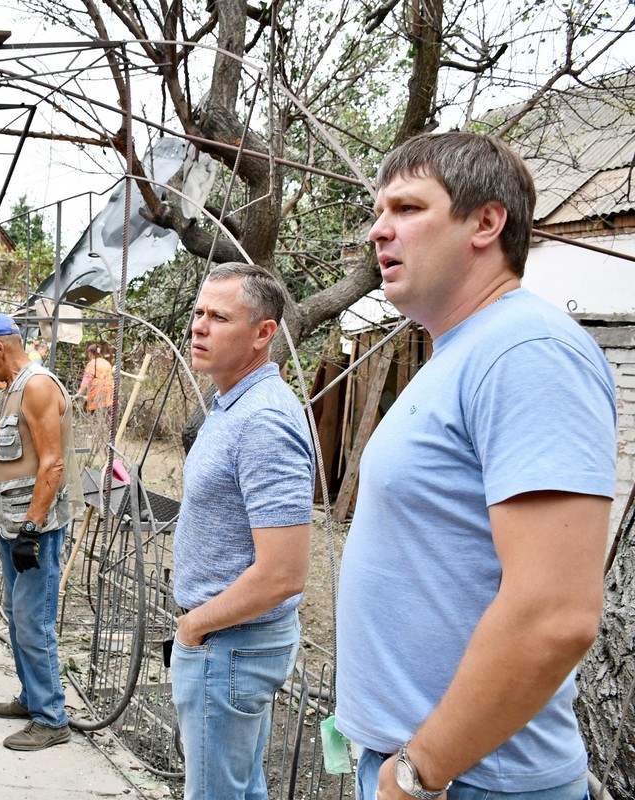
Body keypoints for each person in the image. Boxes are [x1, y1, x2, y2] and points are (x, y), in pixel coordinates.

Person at [334, 133, 616, 800]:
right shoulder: (460, 352)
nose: (379, 231)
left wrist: (417, 771)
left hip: (469, 780)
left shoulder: (528, 351)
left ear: (486, 223)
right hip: (417, 764)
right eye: (380, 211)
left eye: (406, 208)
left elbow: (556, 613)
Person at [171, 262, 315, 800]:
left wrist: (194, 627)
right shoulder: (230, 403)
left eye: (219, 317)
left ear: (263, 333)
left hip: (229, 644)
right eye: (198, 313)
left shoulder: (263, 421)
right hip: (225, 641)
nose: (200, 327)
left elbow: (283, 573)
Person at [0, 313, 80, 752]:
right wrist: (7, 527)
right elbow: (17, 464)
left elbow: (52, 463)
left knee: (34, 622)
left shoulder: (37, 385)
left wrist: (30, 528)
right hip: (14, 526)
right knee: (17, 615)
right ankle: (33, 699)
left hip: (37, 528)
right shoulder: (14, 387)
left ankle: (51, 719)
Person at [78, 342, 114, 412]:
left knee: (96, 419)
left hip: (98, 397)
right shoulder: (106, 363)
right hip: (111, 397)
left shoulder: (92, 364)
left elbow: (86, 381)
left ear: (90, 353)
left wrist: (78, 393)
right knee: (109, 419)